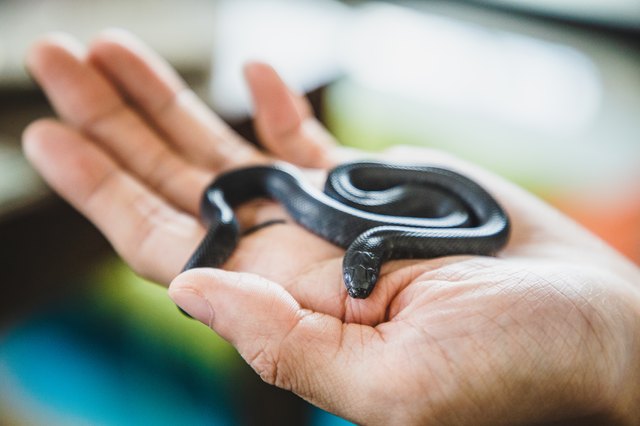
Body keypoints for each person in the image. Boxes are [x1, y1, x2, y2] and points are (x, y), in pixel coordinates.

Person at [22, 29, 640, 425]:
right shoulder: (362, 209)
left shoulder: (468, 230)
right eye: (361, 270)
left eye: (361, 268)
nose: (360, 283)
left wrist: (618, 344)